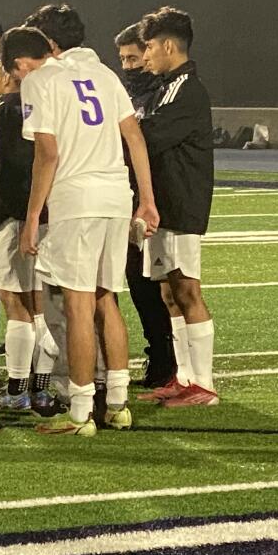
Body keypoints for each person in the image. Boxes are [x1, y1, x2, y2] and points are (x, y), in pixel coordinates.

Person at [19, 3, 159, 437]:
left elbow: (48, 153)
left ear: (49, 43)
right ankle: (117, 404)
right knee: (106, 299)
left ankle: (80, 412)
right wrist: (147, 200)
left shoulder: (43, 80)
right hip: (117, 195)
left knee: (79, 304)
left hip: (76, 199)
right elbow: (134, 136)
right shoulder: (106, 75)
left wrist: (31, 217)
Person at [136, 6, 217, 407]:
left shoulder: (186, 89)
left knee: (187, 289)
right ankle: (184, 377)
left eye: (149, 47)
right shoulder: (165, 87)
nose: (145, 55)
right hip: (163, 205)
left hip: (182, 202)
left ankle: (204, 384)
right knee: (169, 293)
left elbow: (151, 136)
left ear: (169, 45)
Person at [0, 27, 56, 411]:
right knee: (42, 303)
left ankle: (16, 390)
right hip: (54, 215)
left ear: (11, 71)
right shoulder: (56, 101)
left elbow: (4, 174)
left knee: (15, 303)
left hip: (17, 219)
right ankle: (41, 385)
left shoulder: (5, 114)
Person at [115, 23, 175, 389]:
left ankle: (170, 361)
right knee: (138, 283)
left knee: (163, 286)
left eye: (134, 57)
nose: (129, 66)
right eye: (123, 59)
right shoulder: (124, 93)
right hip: (129, 198)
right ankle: (160, 356)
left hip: (155, 201)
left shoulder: (163, 93)